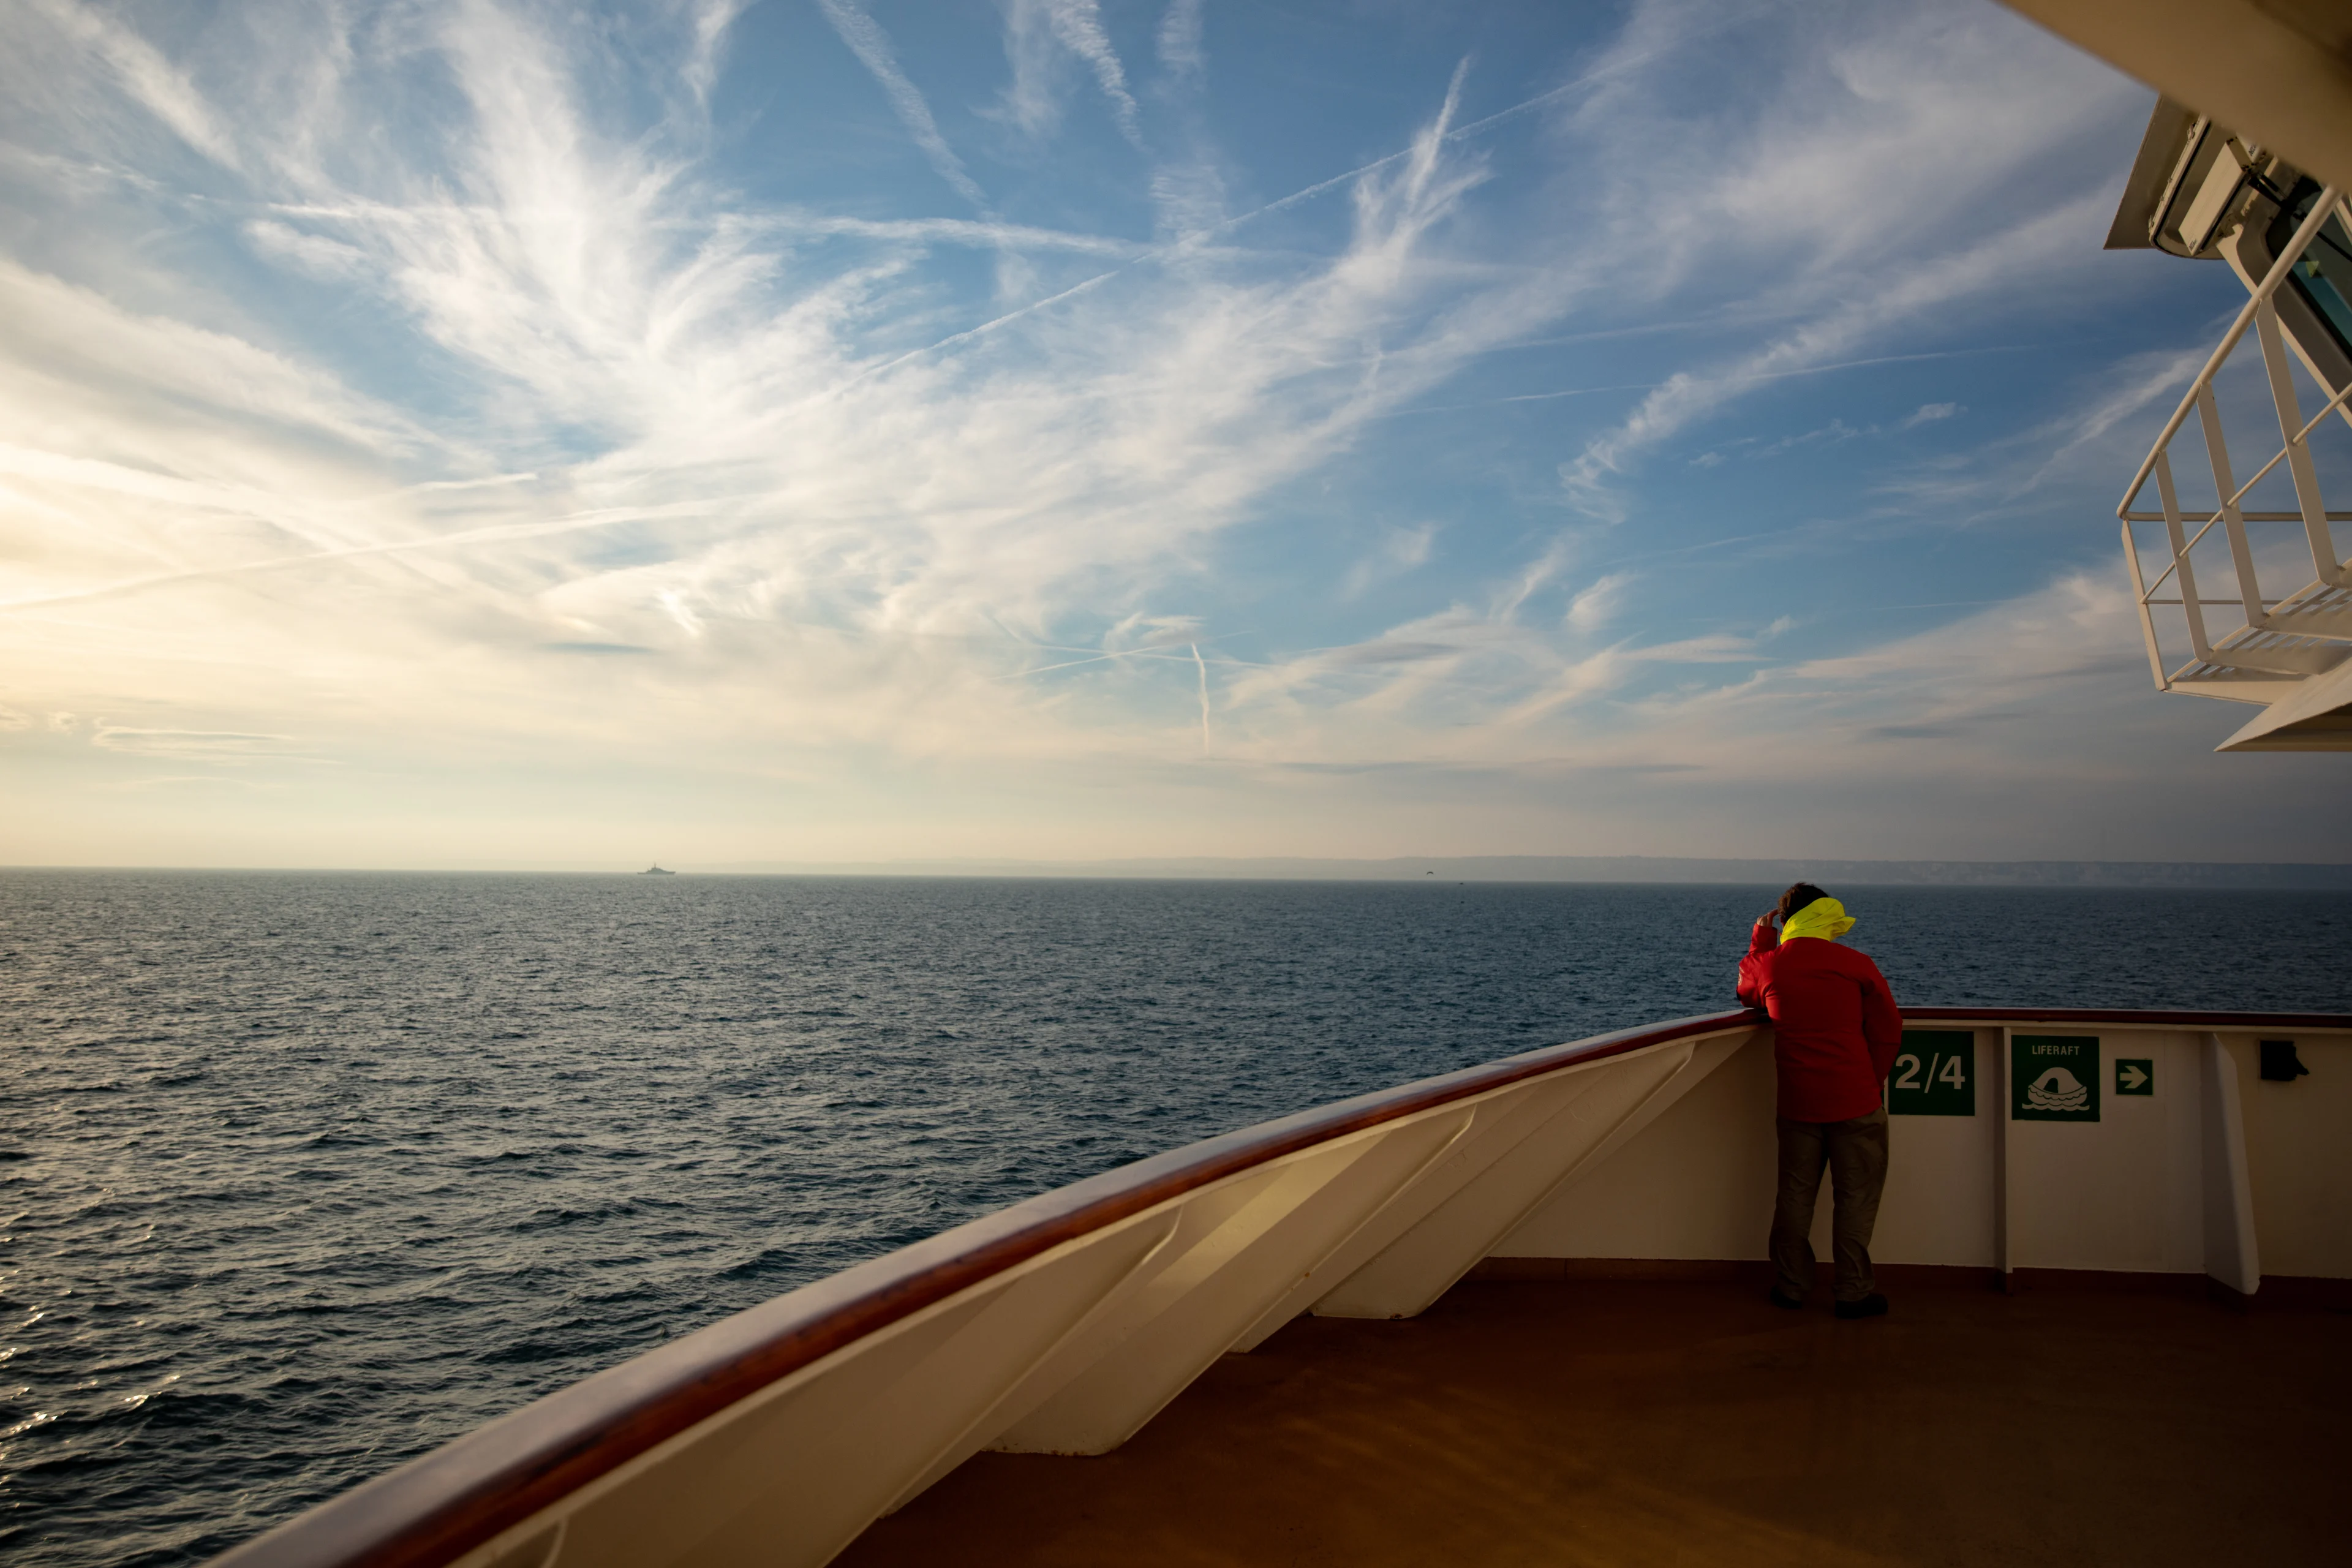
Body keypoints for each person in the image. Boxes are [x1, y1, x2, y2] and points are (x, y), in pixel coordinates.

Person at [1736, 882, 1903, 1319]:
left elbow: (1745, 990)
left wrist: (1760, 940)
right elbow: (1889, 1029)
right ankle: (1852, 1292)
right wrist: (1873, 1081)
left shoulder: (1771, 966)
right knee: (1856, 1199)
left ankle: (1791, 1287)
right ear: (1827, 916)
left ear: (1787, 920)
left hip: (1798, 1104)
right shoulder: (1856, 965)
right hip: (1856, 1101)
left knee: (1794, 1197)